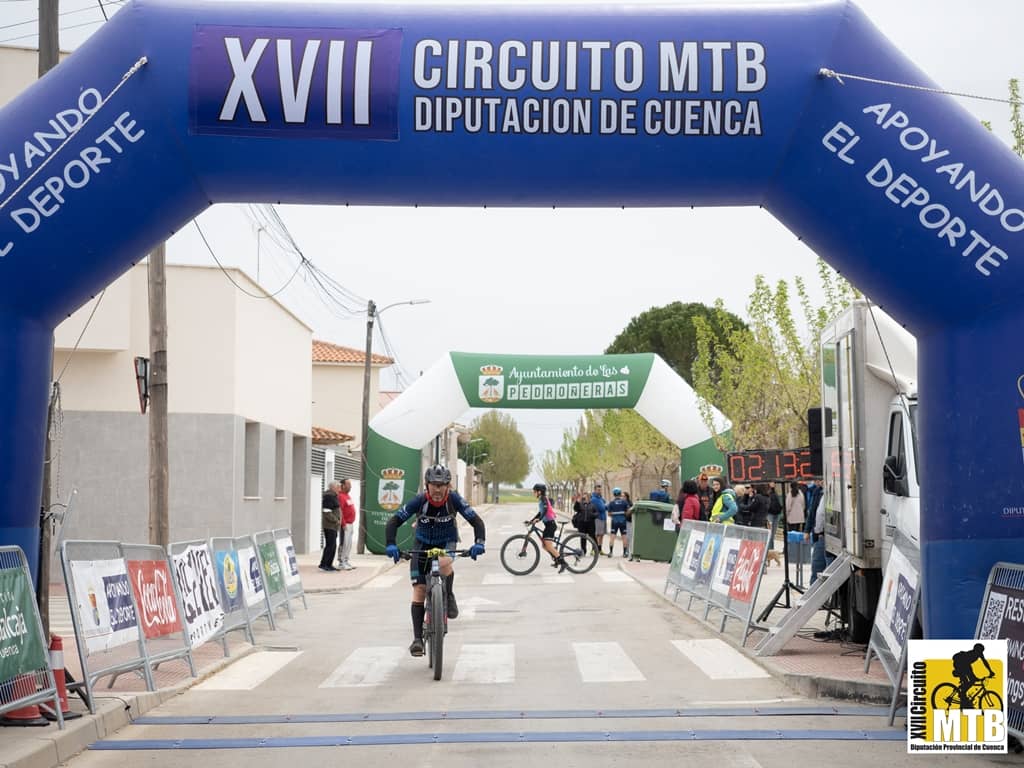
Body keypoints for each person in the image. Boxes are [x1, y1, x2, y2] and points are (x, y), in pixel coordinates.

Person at [384, 464, 486, 657]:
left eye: (442, 485)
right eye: (434, 485)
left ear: (448, 486)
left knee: (444, 562)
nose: (438, 490)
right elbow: (394, 521)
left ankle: (448, 594)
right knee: (419, 589)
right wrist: (390, 544)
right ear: (427, 485)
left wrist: (479, 542)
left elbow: (477, 521)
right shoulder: (420, 500)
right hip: (422, 543)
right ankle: (417, 639)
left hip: (446, 541)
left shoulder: (454, 499)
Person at [528, 483, 567, 572]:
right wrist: (531, 521)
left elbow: (545, 510)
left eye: (534, 492)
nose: (533, 493)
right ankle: (557, 558)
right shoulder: (541, 500)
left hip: (551, 525)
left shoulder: (544, 499)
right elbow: (540, 513)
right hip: (548, 525)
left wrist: (539, 519)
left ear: (539, 492)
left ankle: (563, 563)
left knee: (548, 545)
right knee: (544, 545)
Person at [952, 642, 995, 709]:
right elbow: (968, 668)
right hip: (960, 664)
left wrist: (990, 671)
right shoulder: (971, 654)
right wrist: (975, 677)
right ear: (977, 650)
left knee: (970, 681)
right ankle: (963, 696)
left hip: (964, 665)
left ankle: (963, 698)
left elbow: (985, 662)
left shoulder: (979, 654)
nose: (981, 652)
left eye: (982, 651)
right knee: (969, 681)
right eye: (981, 651)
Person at [804, 479, 826, 583]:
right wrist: (808, 530)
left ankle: (815, 587)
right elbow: (813, 512)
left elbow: (819, 514)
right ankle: (814, 587)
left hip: (822, 534)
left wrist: (816, 531)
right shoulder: (818, 492)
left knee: (819, 566)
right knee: (818, 567)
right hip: (821, 535)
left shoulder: (822, 492)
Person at [319, 481, 341, 572]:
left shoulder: (333, 496)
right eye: (338, 487)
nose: (340, 489)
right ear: (333, 487)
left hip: (333, 526)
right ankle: (324, 564)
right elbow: (326, 512)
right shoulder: (329, 497)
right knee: (330, 545)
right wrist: (336, 520)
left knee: (333, 546)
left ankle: (329, 564)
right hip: (330, 525)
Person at [336, 478, 357, 570]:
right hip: (345, 524)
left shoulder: (347, 496)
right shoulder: (340, 496)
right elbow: (340, 511)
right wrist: (343, 523)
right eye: (348, 484)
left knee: (348, 544)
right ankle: (341, 562)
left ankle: (346, 560)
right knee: (344, 543)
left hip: (350, 523)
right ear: (343, 485)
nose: (350, 486)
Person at [606, 487, 632, 557]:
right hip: (623, 521)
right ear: (620, 494)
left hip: (614, 522)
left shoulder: (611, 503)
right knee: (624, 537)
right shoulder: (624, 502)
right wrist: (624, 514)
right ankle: (625, 553)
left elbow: (609, 514)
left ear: (613, 494)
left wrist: (614, 514)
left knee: (612, 537)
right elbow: (628, 512)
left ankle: (611, 552)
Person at [764, 481, 784, 566]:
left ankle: (772, 552)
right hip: (770, 514)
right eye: (771, 482)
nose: (773, 484)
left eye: (774, 482)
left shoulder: (774, 492)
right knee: (770, 534)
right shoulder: (766, 492)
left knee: (773, 534)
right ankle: (769, 552)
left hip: (776, 514)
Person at [590, 483, 608, 555]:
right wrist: (605, 506)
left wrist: (605, 506)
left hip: (603, 518)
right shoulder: (594, 499)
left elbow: (605, 506)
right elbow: (602, 508)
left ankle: (600, 549)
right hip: (598, 518)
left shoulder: (600, 498)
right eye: (598, 490)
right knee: (597, 535)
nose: (599, 491)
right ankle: (594, 550)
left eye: (600, 490)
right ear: (594, 490)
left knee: (601, 535)